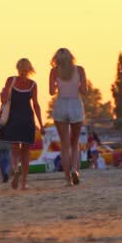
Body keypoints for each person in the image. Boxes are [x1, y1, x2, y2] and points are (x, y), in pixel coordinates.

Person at [0, 59, 44, 190]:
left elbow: (4, 99)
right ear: (29, 69)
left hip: (13, 119)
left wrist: (2, 94)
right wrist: (41, 124)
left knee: (14, 148)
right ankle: (24, 182)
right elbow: (35, 104)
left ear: (17, 68)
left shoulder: (10, 80)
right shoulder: (33, 84)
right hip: (27, 119)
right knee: (25, 151)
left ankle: (15, 168)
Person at [48, 48, 88, 186]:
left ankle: (68, 179)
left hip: (61, 104)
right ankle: (75, 170)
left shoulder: (54, 71)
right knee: (74, 143)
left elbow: (51, 92)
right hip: (75, 104)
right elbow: (84, 91)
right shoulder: (80, 70)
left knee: (64, 145)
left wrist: (57, 84)